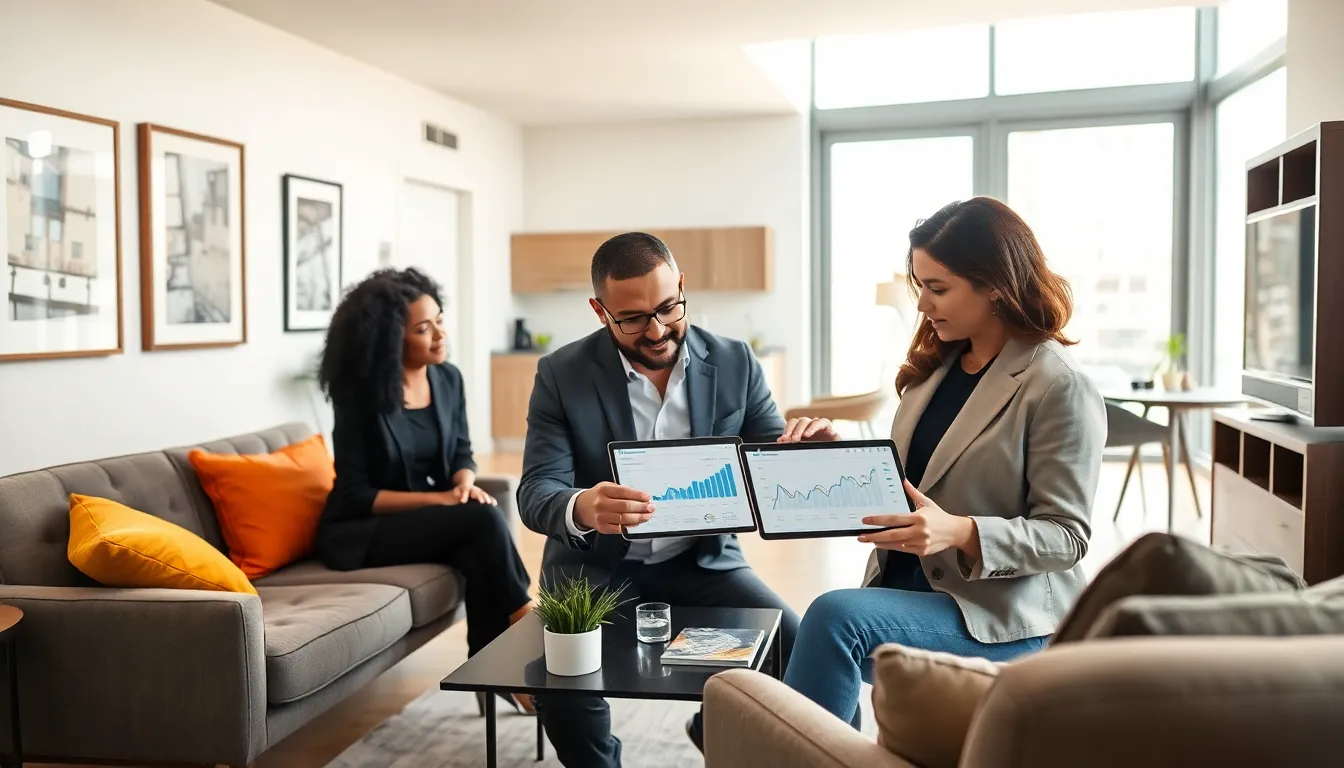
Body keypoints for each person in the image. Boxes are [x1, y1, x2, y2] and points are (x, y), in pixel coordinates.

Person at [780, 197, 1107, 727]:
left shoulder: (1056, 385)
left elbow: (1067, 537)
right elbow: (914, 489)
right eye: (920, 286)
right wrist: (831, 456)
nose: (923, 305)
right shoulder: (936, 367)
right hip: (910, 587)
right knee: (801, 637)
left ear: (995, 284)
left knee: (836, 619)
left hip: (999, 611)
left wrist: (960, 532)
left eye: (938, 288)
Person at [518, 232, 830, 766]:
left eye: (668, 307)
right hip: (594, 571)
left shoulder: (736, 362)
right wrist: (583, 506)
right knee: (563, 689)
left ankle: (716, 726)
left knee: (803, 647)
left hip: (702, 563)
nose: (658, 330)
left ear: (682, 285)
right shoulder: (560, 375)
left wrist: (804, 455)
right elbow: (535, 492)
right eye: (634, 318)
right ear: (600, 310)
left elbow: (769, 462)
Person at [315, 267, 535, 714]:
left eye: (439, 319)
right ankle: (524, 621)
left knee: (479, 547)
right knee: (483, 520)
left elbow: (461, 453)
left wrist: (463, 483)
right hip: (364, 530)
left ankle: (488, 671)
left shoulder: (447, 379)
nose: (439, 334)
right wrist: (441, 499)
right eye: (422, 328)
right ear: (390, 339)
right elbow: (356, 493)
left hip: (422, 521)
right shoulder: (360, 396)